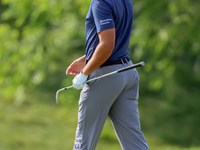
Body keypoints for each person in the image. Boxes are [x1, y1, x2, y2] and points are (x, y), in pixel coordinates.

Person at [66, 0, 149, 149]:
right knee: (134, 143)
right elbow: (115, 42)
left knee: (83, 143)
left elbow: (107, 45)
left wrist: (85, 73)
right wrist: (86, 59)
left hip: (106, 76)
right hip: (128, 72)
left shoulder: (100, 3)